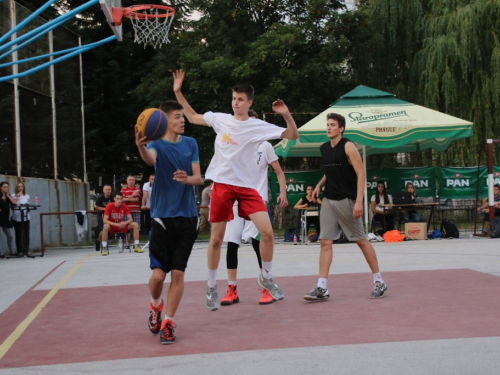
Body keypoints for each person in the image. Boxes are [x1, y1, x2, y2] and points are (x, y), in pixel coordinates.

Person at [173, 69, 299, 311]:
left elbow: (292, 134)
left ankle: (266, 277)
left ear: (250, 102)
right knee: (217, 239)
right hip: (222, 185)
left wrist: (286, 114)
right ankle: (211, 286)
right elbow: (191, 116)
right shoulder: (221, 119)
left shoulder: (257, 126)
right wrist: (178, 92)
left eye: (240, 99)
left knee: (268, 233)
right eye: (233, 98)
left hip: (247, 188)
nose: (236, 103)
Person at [135, 100, 201, 345]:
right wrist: (139, 146)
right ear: (163, 120)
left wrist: (188, 179)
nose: (182, 120)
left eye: (183, 116)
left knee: (178, 274)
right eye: (177, 116)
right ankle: (155, 305)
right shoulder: (156, 144)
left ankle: (169, 322)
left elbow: (199, 177)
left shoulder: (191, 144)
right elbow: (149, 159)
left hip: (187, 217)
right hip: (162, 218)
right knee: (158, 277)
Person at [304, 113, 387, 301]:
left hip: (347, 201)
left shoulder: (348, 146)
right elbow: (330, 171)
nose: (329, 127)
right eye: (327, 124)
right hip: (329, 200)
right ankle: (321, 287)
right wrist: (319, 185)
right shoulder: (324, 148)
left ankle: (379, 281)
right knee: (325, 241)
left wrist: (358, 201)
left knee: (361, 240)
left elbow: (361, 174)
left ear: (341, 128)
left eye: (332, 125)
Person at [220, 109, 288, 306]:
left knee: (258, 243)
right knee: (232, 243)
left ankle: (266, 287)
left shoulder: (265, 146)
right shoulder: (235, 144)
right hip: (235, 201)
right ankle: (231, 289)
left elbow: (279, 172)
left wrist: (282, 192)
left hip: (256, 202)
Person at [11, 182, 31, 257]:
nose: (20, 188)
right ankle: (19, 251)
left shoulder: (26, 196)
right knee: (18, 234)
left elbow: (28, 204)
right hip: (17, 217)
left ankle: (27, 249)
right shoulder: (13, 195)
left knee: (26, 234)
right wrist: (17, 196)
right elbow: (14, 203)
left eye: (21, 186)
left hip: (26, 217)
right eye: (19, 186)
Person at [94, 184, 114, 251]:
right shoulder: (100, 198)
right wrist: (106, 209)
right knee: (103, 230)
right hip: (101, 215)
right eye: (106, 189)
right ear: (103, 190)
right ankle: (100, 242)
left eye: (109, 189)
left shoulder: (113, 197)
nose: (108, 191)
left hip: (110, 215)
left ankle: (101, 241)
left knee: (108, 229)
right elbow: (97, 207)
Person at [0, 181, 16, 258]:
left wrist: (8, 196)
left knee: (10, 236)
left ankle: (12, 252)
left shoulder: (8, 196)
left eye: (7, 187)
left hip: (5, 219)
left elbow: (14, 203)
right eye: (4, 187)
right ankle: (1, 253)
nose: (6, 188)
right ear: (1, 188)